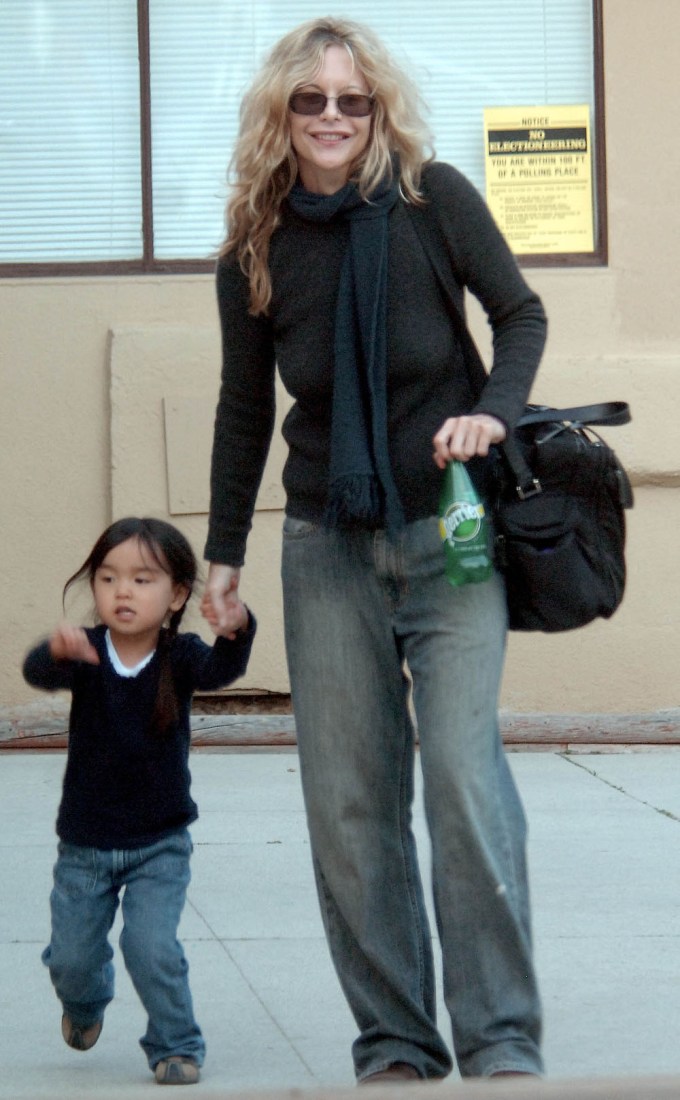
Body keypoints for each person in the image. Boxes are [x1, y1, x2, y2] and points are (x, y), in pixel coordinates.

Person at [202, 17, 547, 1083]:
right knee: (350, 805)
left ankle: (498, 1039)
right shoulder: (254, 244)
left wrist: (489, 412)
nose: (332, 118)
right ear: (281, 114)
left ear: (377, 108)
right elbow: (243, 408)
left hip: (446, 536)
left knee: (458, 772)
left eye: (351, 100)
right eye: (310, 101)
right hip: (325, 544)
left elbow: (518, 314)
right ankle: (395, 1041)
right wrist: (221, 553)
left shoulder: (431, 198)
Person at [23, 517, 255, 1086]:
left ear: (177, 595)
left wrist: (239, 625)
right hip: (85, 844)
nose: (122, 591)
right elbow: (38, 672)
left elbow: (225, 667)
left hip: (159, 843)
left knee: (152, 947)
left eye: (142, 579)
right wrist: (52, 651)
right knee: (73, 959)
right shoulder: (88, 652)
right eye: (107, 578)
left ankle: (175, 1045)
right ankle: (84, 1004)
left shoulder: (182, 655)